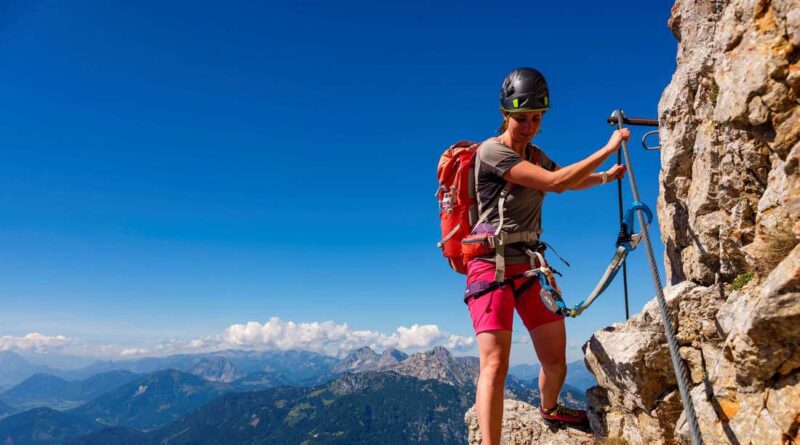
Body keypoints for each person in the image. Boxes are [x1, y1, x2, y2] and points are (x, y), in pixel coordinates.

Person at [466, 67, 629, 445]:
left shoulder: (536, 155)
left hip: (529, 265)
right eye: (521, 118)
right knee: (495, 364)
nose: (530, 126)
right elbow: (556, 183)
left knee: (555, 359)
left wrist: (607, 175)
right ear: (505, 115)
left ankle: (550, 407)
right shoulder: (492, 152)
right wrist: (606, 149)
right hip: (490, 264)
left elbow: (567, 180)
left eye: (537, 118)